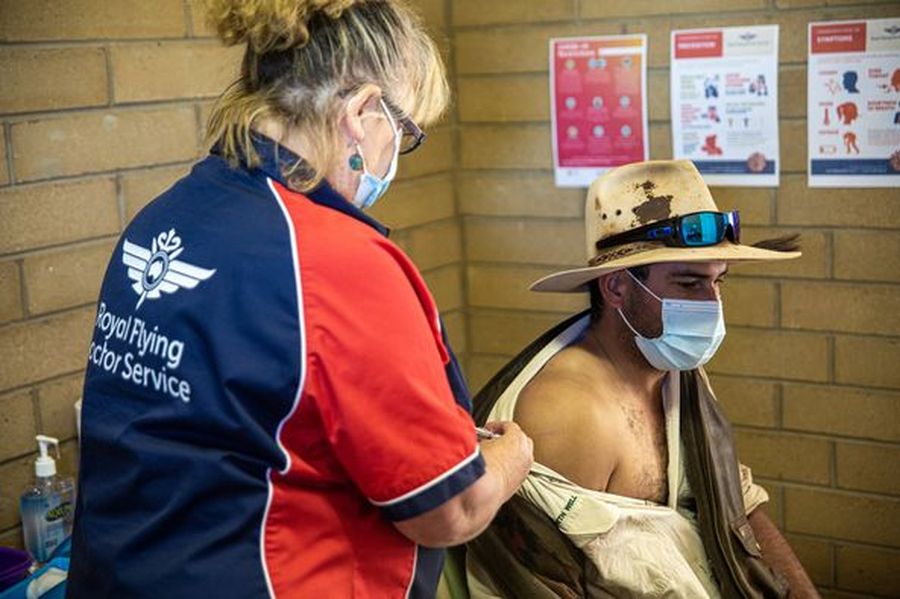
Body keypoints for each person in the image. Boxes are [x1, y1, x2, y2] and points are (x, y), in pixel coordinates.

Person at [67, 1, 533, 597]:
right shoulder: (337, 261)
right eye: (406, 132)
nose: (397, 156)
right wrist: (512, 453)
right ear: (363, 113)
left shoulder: (164, 220)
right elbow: (450, 508)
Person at [465, 160, 818, 598]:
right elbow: (538, 583)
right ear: (616, 288)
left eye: (718, 282)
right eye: (690, 284)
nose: (712, 304)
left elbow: (733, 499)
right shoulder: (571, 414)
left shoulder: (673, 366)